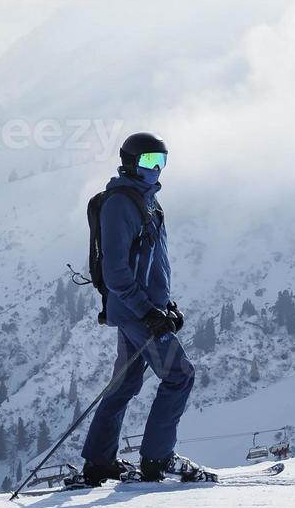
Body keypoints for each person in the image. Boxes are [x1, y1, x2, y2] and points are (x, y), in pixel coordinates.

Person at [80, 132, 204, 484]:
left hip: (142, 308)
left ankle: (100, 461)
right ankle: (158, 458)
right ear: (131, 162)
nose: (157, 169)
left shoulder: (148, 202)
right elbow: (116, 270)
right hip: (136, 312)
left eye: (162, 162)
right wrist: (148, 311)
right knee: (180, 375)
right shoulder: (122, 203)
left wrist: (167, 306)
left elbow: (150, 263)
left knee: (124, 385)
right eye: (150, 162)